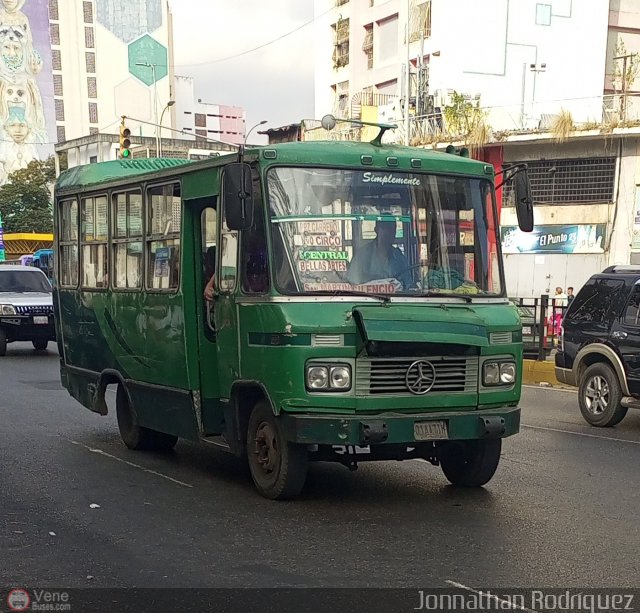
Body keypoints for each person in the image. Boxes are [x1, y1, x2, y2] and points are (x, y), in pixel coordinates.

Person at [345, 219, 413, 290]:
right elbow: (352, 283)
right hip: (367, 298)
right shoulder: (362, 255)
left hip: (397, 299)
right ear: (376, 230)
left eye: (392, 229)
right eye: (385, 228)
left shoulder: (399, 257)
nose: (389, 233)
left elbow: (408, 285)